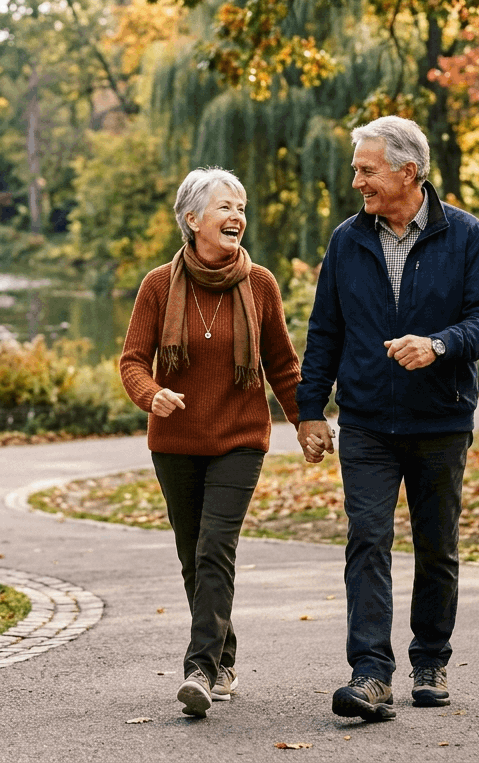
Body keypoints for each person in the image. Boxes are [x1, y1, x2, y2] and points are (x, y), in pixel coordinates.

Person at [295, 116, 479, 721]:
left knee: (437, 547)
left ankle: (431, 659)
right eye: (357, 169)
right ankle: (370, 673)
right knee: (367, 540)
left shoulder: (466, 235)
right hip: (366, 423)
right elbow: (325, 332)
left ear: (408, 171)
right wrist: (311, 411)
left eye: (366, 170)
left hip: (440, 421)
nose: (356, 181)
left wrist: (438, 345)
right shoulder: (347, 241)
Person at [119, 167, 302, 718]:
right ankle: (223, 657)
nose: (237, 216)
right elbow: (133, 361)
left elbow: (282, 365)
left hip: (239, 439)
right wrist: (152, 394)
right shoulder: (158, 285)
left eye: (241, 207)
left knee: (215, 548)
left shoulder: (260, 284)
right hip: (175, 441)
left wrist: (307, 421)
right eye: (225, 206)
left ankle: (198, 669)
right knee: (192, 556)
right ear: (192, 218)